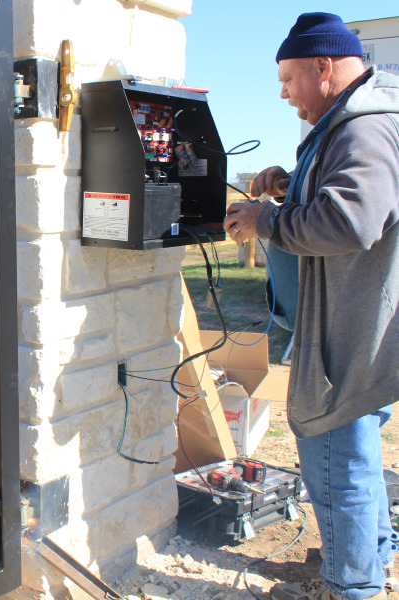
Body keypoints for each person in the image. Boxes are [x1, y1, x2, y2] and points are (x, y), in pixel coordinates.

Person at [224, 12, 399, 600]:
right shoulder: (345, 126)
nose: (282, 93)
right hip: (357, 327)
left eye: (289, 79)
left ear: (324, 67)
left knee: (336, 457)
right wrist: (290, 183)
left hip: (347, 335)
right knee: (357, 453)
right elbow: (337, 195)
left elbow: (351, 221)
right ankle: (366, 558)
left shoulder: (363, 130)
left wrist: (267, 219)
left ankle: (351, 587)